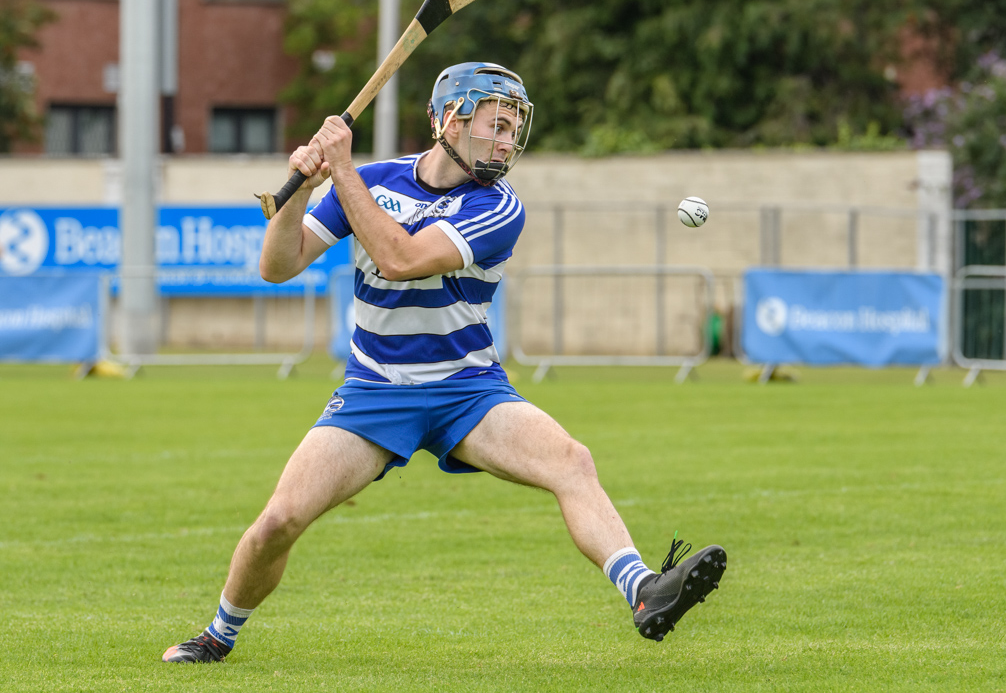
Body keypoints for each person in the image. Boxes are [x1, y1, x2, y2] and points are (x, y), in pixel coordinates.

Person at [162, 63, 727, 663]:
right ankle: (218, 635)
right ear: (448, 122)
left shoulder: (498, 207)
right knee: (279, 521)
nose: (508, 141)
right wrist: (304, 184)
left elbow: (401, 257)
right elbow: (277, 265)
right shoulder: (374, 181)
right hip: (376, 392)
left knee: (571, 461)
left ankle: (644, 590)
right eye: (496, 126)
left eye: (514, 129)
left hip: (470, 391)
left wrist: (343, 170)